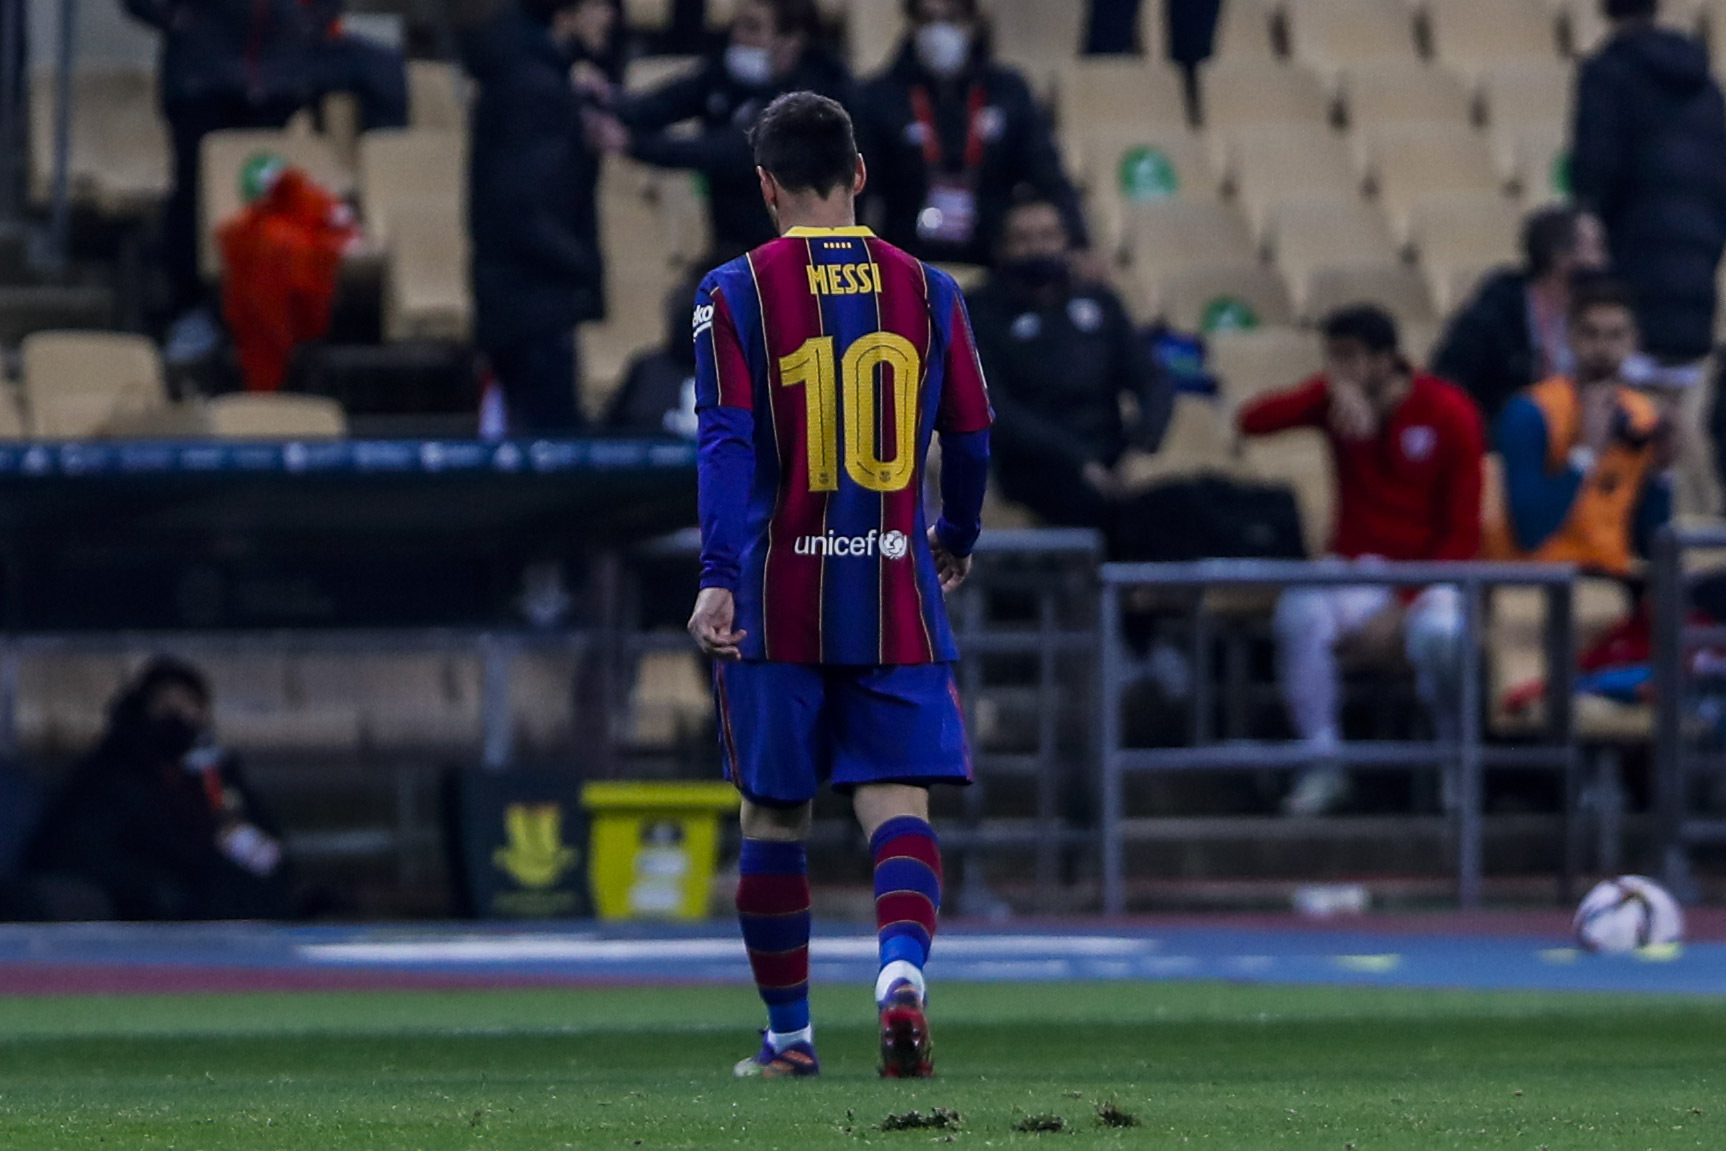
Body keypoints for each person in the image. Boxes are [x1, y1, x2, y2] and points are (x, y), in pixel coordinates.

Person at [687, 91, 992, 1078]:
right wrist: (957, 531)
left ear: (765, 184)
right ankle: (900, 968)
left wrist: (718, 574)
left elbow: (726, 442)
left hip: (779, 595)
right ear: (859, 176)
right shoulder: (933, 291)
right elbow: (974, 434)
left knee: (774, 814)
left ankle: (788, 1036)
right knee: (895, 802)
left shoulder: (732, 290)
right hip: (894, 588)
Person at [1237, 307, 1486, 816]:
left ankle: (1456, 763)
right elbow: (1251, 421)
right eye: (1332, 357)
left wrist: (1405, 602)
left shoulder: (1448, 411)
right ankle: (1323, 760)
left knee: (1443, 639)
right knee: (1299, 613)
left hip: (1429, 573)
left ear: (1387, 360)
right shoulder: (1332, 399)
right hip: (1356, 567)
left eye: (1349, 358)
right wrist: (1327, 395)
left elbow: (1462, 534)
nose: (1338, 368)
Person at [122, 0, 407, 354]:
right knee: (195, 190)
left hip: (287, 60)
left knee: (383, 70)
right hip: (204, 69)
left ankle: (377, 223)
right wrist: (182, 20)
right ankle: (192, 308)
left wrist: (310, 20)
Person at [1570, 0, 1726, 512]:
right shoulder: (1705, 88)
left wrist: (1588, 225)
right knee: (1677, 426)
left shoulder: (1607, 74)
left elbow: (1595, 169)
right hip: (1696, 275)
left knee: (1627, 425)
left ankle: (1629, 544)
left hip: (1632, 273)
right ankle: (1673, 531)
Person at [23, 659, 294, 921]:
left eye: (188, 704)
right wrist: (164, 882)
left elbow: (269, 854)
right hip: (142, 908)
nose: (176, 715)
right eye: (164, 703)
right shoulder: (114, 773)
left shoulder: (215, 776)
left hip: (220, 912)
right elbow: (82, 849)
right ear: (143, 709)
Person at [967, 194, 1169, 531]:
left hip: (1111, 454)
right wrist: (1078, 460)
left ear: (1065, 241)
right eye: (1023, 239)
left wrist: (1143, 442)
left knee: (1191, 505)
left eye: (1048, 236)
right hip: (1034, 466)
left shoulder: (1100, 302)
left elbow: (1152, 379)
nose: (1038, 248)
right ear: (1001, 248)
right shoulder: (978, 311)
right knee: (1096, 508)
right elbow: (993, 408)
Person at [590, 0, 854, 254]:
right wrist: (606, 96)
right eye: (736, 26)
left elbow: (724, 150)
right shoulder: (725, 75)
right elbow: (659, 107)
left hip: (797, 252)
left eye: (752, 28)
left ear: (791, 41)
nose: (738, 37)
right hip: (733, 246)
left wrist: (632, 144)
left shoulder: (815, 101)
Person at [466, 0, 615, 433]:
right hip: (534, 304)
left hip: (515, 297)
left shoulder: (526, 76)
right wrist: (584, 268)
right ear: (563, 14)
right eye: (600, 4)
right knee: (549, 460)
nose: (610, 16)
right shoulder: (535, 89)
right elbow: (526, 206)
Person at [853, 0, 1089, 268]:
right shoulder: (877, 97)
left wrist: (1079, 242)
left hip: (996, 267)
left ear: (973, 22)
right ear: (911, 23)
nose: (939, 32)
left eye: (951, 19)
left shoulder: (1008, 91)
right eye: (927, 20)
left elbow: (1047, 173)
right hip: (907, 265)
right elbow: (859, 191)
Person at [1487, 280, 1674, 574]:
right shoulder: (1531, 411)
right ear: (1570, 338)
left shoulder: (1642, 415)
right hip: (1543, 578)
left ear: (1633, 341)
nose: (1602, 348)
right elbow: (1530, 531)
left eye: (1616, 335)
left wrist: (1662, 472)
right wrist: (1584, 453)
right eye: (1590, 334)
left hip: (1613, 576)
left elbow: (1648, 544)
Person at [1431, 206, 1610, 422]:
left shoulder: (1593, 311)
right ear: (1560, 255)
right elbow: (1451, 380)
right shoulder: (1494, 314)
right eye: (1594, 248)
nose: (1603, 261)